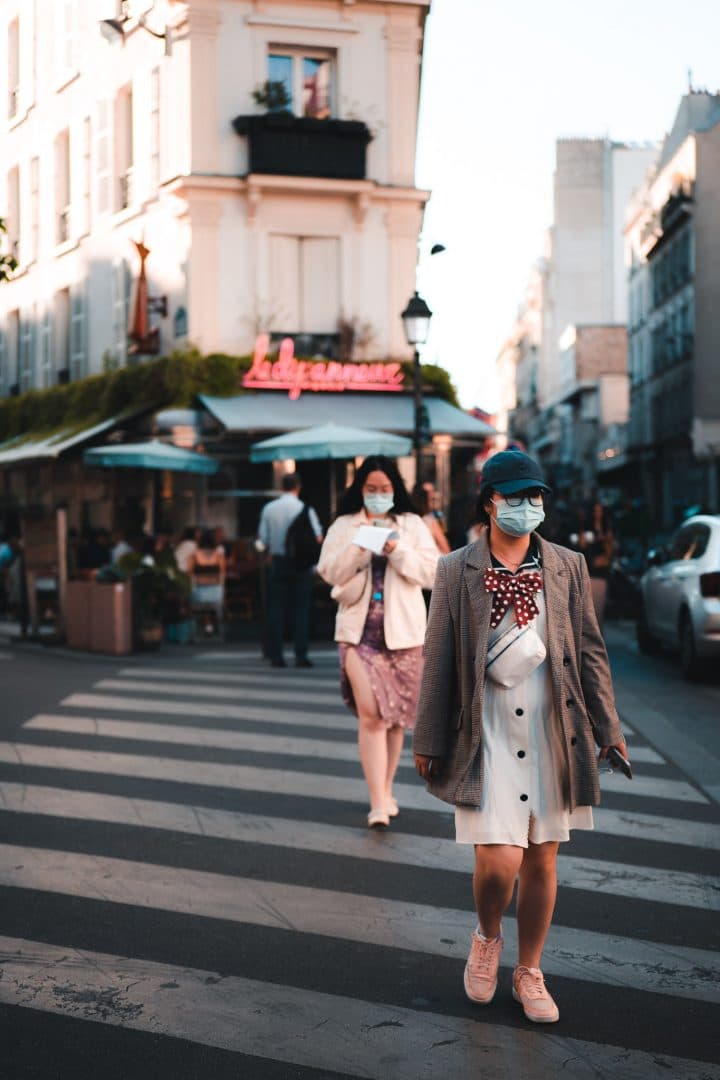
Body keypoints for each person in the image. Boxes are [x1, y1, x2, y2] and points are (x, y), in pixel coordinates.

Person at [413, 449, 628, 1024]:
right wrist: (427, 737)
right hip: (484, 731)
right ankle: (487, 937)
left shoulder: (567, 565)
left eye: (536, 497)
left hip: (553, 725)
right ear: (489, 502)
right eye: (516, 497)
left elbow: (589, 650)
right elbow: (437, 660)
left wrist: (609, 727)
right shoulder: (455, 568)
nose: (529, 507)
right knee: (499, 863)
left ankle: (529, 971)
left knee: (541, 862)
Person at [318, 456, 439, 828]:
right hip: (358, 634)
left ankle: (386, 790)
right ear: (359, 489)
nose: (378, 495)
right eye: (371, 489)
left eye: (385, 489)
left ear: (395, 489)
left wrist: (395, 550)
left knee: (394, 720)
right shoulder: (345, 525)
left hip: (404, 634)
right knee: (371, 715)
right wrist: (360, 547)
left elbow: (434, 572)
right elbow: (328, 572)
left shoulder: (412, 524)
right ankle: (376, 803)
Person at [257, 473, 322, 668]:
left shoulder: (269, 509)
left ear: (281, 486)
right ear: (298, 487)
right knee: (301, 610)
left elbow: (262, 540)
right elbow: (317, 537)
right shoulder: (305, 509)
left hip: (278, 562)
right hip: (301, 564)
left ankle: (277, 655)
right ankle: (300, 654)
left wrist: (265, 553)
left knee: (276, 609)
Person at [413, 485, 451, 555]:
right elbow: (445, 548)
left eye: (432, 491)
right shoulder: (430, 520)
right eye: (429, 492)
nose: (432, 494)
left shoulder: (407, 520)